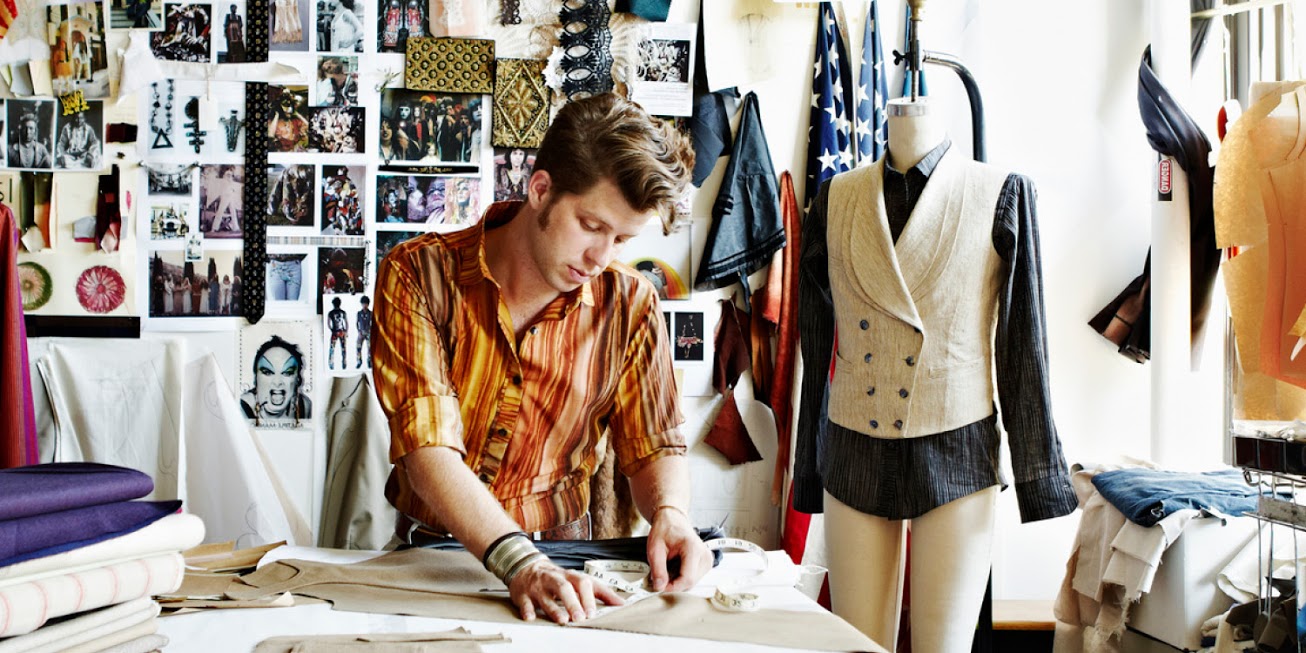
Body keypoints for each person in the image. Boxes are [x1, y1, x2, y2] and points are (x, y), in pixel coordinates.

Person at [372, 93, 707, 626]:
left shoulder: (631, 301)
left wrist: (672, 513)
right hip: (431, 559)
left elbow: (654, 442)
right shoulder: (418, 274)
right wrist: (520, 563)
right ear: (541, 189)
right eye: (591, 225)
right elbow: (427, 447)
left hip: (567, 563)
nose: (601, 257)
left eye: (622, 238)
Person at [793, 96, 1077, 651]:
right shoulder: (835, 197)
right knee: (858, 646)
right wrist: (811, 461)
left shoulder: (999, 192)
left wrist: (1038, 475)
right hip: (854, 443)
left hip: (957, 446)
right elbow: (816, 339)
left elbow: (1023, 344)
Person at [240, 336, 312, 427]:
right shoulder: (241, 407)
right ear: (256, 378)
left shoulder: (305, 405)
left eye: (287, 373)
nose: (277, 382)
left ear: (298, 379)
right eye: (267, 372)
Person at [327, 296, 348, 369]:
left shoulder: (331, 313)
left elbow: (328, 324)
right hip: (342, 332)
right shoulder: (343, 312)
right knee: (343, 348)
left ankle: (331, 363)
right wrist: (346, 331)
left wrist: (332, 330)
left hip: (335, 332)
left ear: (333, 304)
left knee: (332, 348)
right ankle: (344, 362)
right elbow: (346, 323)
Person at [355, 295, 371, 368]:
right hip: (361, 332)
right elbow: (357, 323)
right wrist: (359, 331)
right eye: (363, 304)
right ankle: (359, 361)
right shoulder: (359, 313)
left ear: (368, 304)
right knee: (358, 347)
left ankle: (369, 361)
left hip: (368, 332)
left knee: (370, 348)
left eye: (366, 304)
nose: (365, 305)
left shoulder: (370, 313)